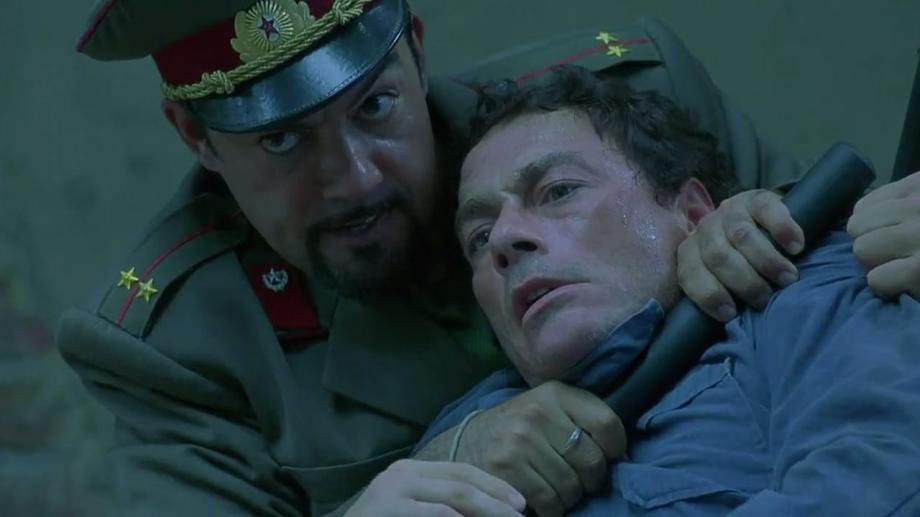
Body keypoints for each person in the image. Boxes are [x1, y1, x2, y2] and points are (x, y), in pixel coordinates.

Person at [59, 0, 920, 514]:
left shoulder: (619, 100)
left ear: (415, 46)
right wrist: (432, 471)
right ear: (196, 138)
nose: (356, 177)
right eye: (283, 140)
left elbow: (849, 299)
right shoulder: (179, 341)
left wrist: (796, 235)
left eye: (376, 106)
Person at [426, 65, 920, 515]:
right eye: (480, 238)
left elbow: (874, 480)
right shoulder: (462, 440)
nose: (504, 239)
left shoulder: (799, 292)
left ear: (693, 213)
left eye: (559, 191)